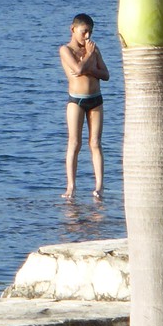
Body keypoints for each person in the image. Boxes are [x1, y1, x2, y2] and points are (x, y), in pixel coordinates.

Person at [59, 12, 110, 199]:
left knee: (95, 143)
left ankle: (99, 186)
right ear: (73, 30)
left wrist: (90, 63)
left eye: (90, 32)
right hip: (76, 101)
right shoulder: (66, 50)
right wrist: (88, 57)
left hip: (96, 99)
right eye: (84, 32)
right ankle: (71, 186)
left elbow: (106, 74)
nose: (87, 37)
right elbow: (78, 69)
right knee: (74, 143)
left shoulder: (94, 49)